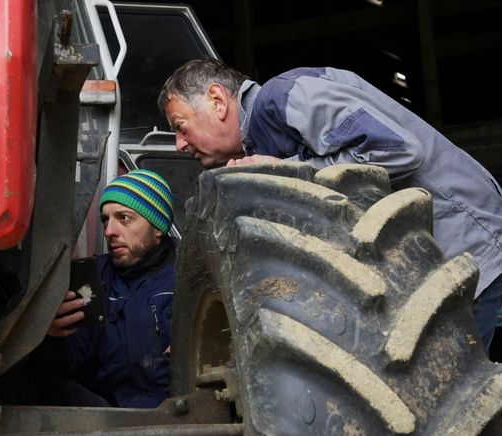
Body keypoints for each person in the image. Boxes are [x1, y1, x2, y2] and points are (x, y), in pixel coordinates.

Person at [158, 59, 502, 356]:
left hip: (474, 255)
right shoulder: (264, 140)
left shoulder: (285, 96)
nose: (179, 145)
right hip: (438, 274)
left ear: (217, 100)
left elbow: (397, 151)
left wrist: (288, 169)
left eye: (180, 127)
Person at [33, 169, 176, 408]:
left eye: (124, 218)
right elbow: (68, 366)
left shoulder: (189, 278)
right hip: (105, 416)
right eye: (105, 219)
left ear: (158, 227)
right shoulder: (92, 278)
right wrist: (51, 337)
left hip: (175, 415)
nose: (109, 231)